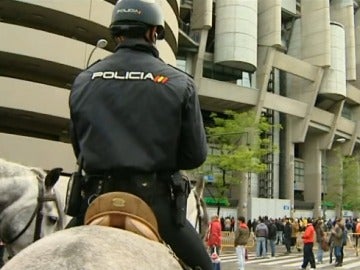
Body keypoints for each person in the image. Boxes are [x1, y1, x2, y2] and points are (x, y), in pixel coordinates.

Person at [67, 0, 211, 269]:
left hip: (94, 199)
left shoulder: (84, 80)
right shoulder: (179, 83)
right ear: (153, 32)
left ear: (116, 33)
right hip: (155, 203)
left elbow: (79, 148)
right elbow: (195, 156)